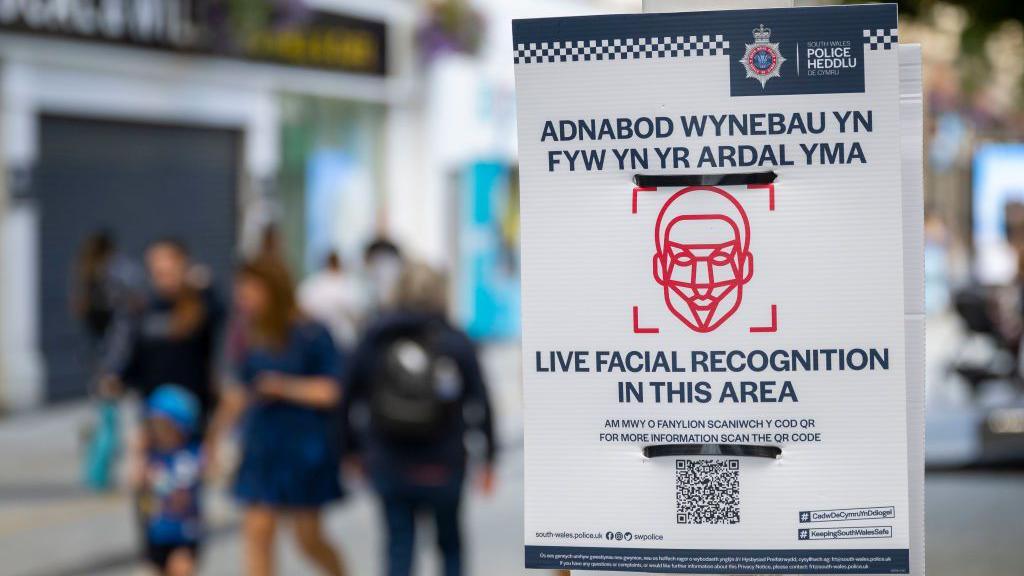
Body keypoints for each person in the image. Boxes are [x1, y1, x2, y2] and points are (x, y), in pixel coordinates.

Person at [345, 262, 497, 576]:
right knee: (450, 546)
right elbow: (481, 400)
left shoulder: (375, 338)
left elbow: (346, 396)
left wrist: (350, 451)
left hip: (389, 460)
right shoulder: (456, 341)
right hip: (444, 463)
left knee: (399, 546)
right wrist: (489, 458)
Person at [207, 259, 347, 576]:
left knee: (308, 538)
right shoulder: (251, 335)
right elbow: (239, 392)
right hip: (262, 445)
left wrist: (284, 388)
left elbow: (332, 391)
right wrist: (213, 437)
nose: (244, 298)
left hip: (304, 447)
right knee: (257, 531)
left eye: (250, 290)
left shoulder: (312, 333)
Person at [102, 238, 224, 425]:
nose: (163, 277)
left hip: (193, 411)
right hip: (154, 412)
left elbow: (220, 328)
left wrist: (204, 288)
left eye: (168, 270)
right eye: (157, 271)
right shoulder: (144, 309)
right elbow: (134, 354)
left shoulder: (201, 304)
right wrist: (118, 378)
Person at [136, 385, 204, 576]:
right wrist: (138, 456)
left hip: (185, 533)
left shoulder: (190, 455)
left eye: (164, 426)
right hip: (156, 532)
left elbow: (187, 484)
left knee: (180, 569)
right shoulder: (151, 457)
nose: (159, 432)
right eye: (154, 426)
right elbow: (136, 482)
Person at [298, 251, 360, 353]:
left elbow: (302, 311)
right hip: (342, 339)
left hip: (316, 340)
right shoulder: (349, 286)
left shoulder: (312, 284)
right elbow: (357, 316)